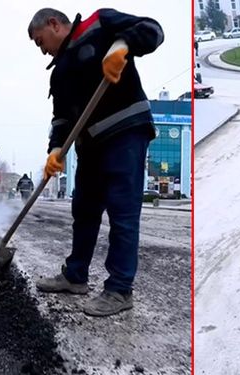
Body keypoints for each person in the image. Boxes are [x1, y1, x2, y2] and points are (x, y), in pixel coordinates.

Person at [28, 7, 163, 317]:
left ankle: (119, 289)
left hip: (125, 131)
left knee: (122, 211)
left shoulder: (100, 23)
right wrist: (55, 149)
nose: (42, 49)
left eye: (40, 41)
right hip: (90, 145)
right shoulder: (59, 71)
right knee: (84, 211)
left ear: (53, 24)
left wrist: (123, 44)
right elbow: (61, 119)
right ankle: (76, 276)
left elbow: (153, 28)